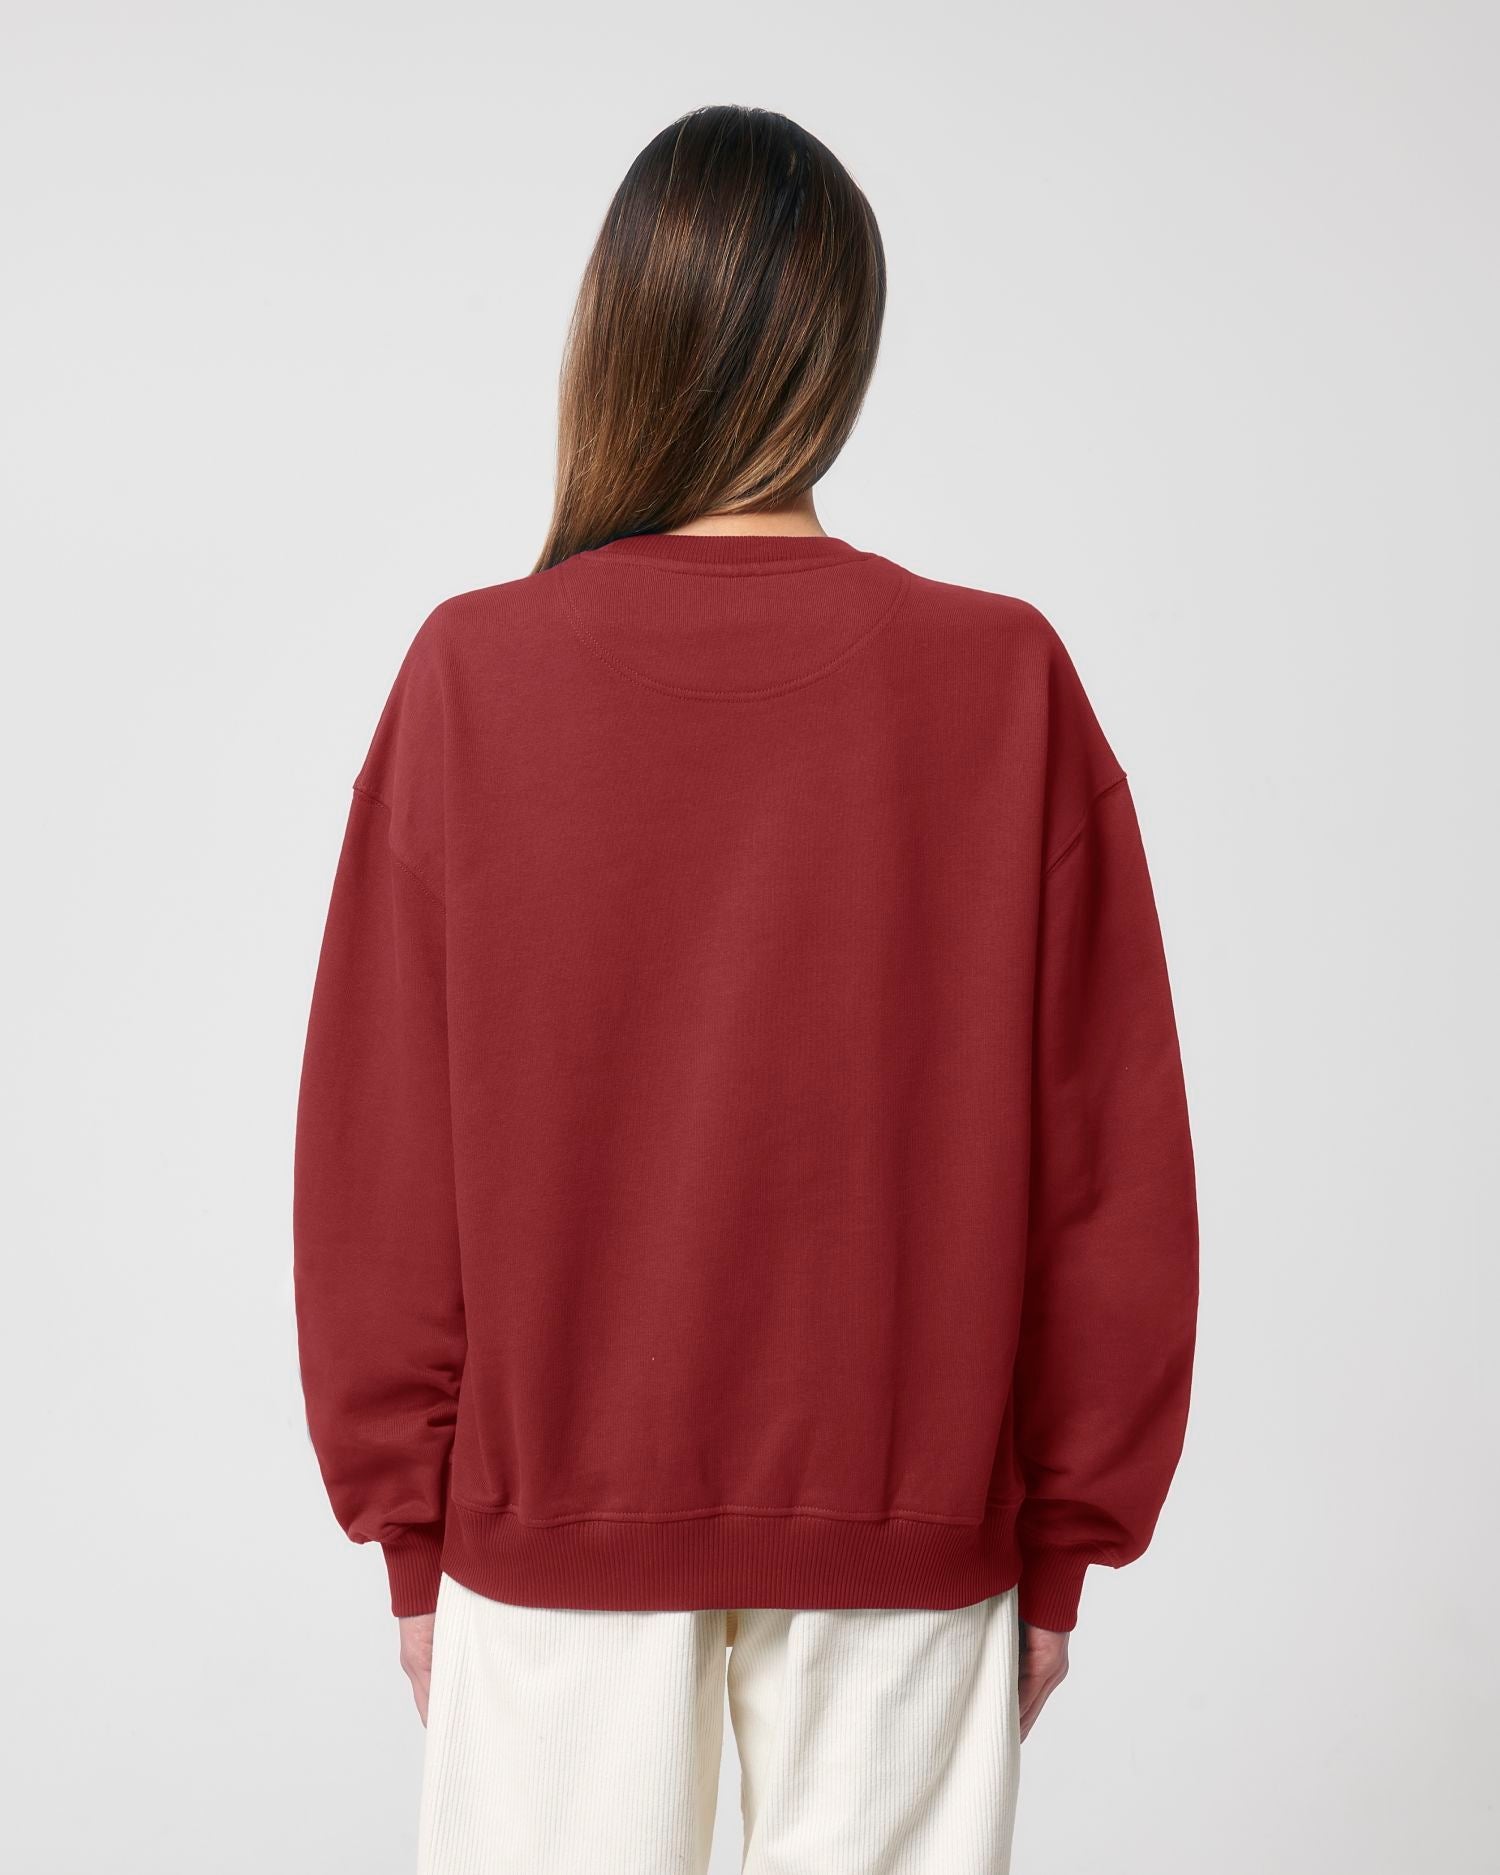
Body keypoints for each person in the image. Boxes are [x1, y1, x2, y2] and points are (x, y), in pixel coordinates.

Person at [293, 103, 1199, 1875]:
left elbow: (375, 1162)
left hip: (556, 1523)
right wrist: (1059, 1544)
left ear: (618, 331)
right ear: (841, 349)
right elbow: (1110, 1169)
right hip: (908, 1518)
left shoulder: (476, 674)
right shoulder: (1001, 679)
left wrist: (416, 1533)